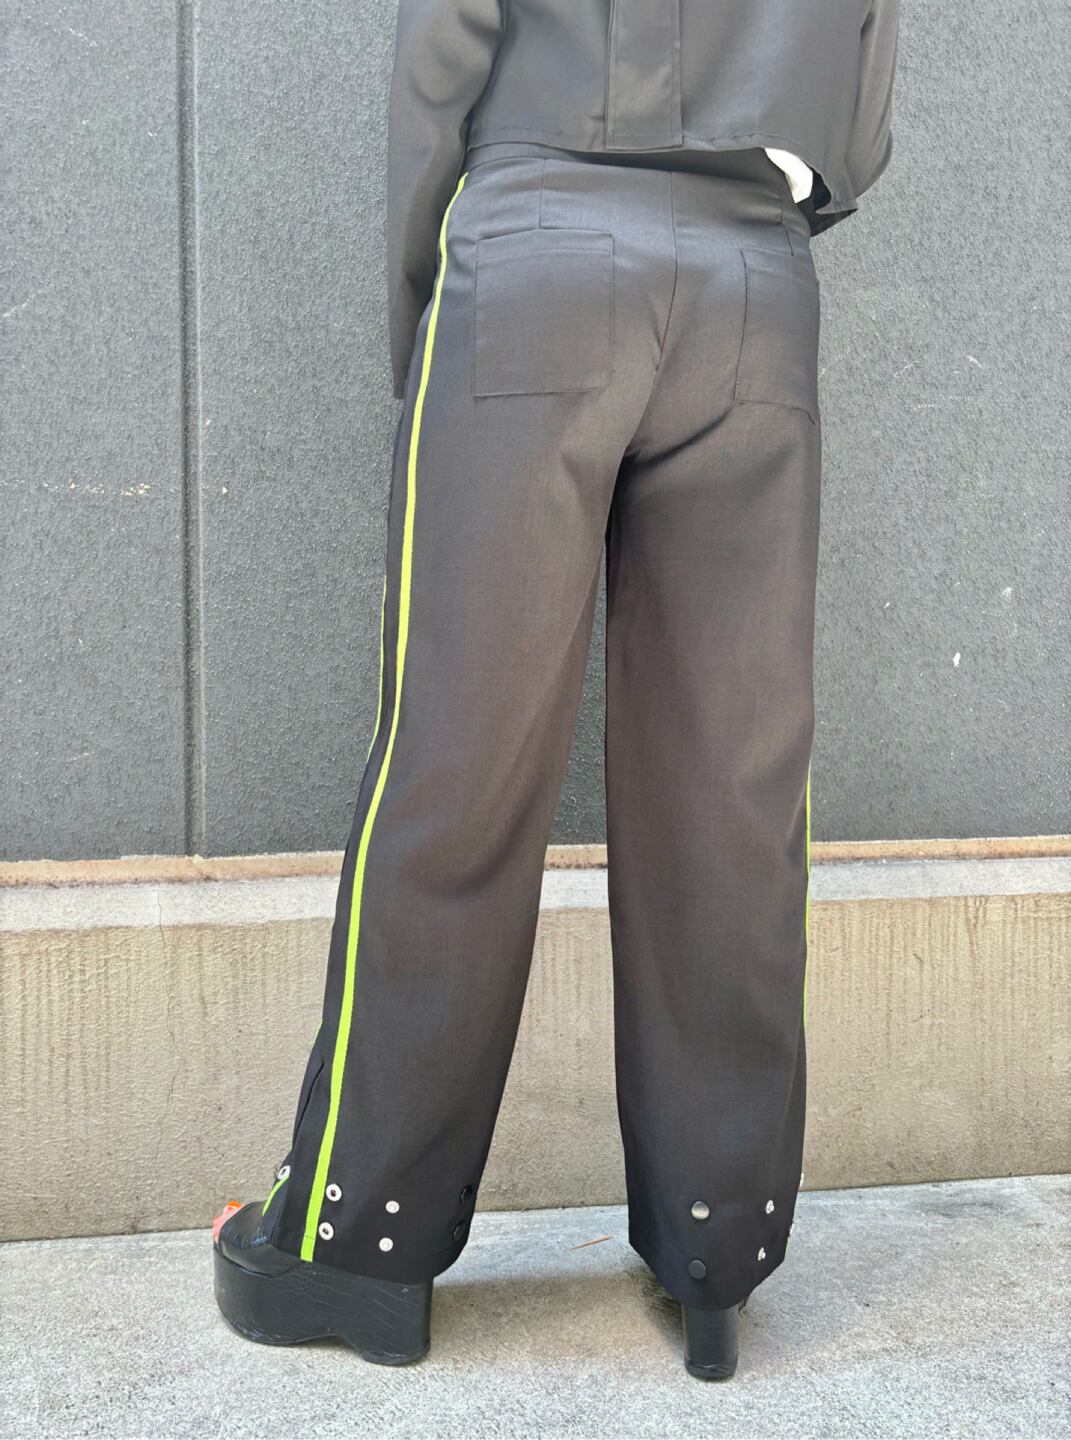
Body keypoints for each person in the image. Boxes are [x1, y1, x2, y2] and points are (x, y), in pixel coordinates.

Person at [213, 0, 902, 1381]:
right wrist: (771, 193)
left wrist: (429, 305)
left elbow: (444, 45)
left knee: (457, 766)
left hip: (537, 239)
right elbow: (867, 74)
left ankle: (357, 1244)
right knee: (731, 787)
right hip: (754, 272)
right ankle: (717, 1251)